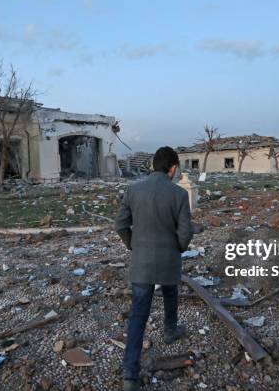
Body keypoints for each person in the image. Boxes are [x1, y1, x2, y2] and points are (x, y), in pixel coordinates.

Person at [115, 146, 194, 391]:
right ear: (172, 168)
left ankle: (130, 375)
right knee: (171, 290)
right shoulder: (179, 194)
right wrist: (179, 248)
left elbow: (120, 224)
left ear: (152, 166)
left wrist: (133, 245)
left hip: (142, 263)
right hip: (168, 259)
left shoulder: (133, 189)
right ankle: (170, 329)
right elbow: (185, 232)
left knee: (139, 314)